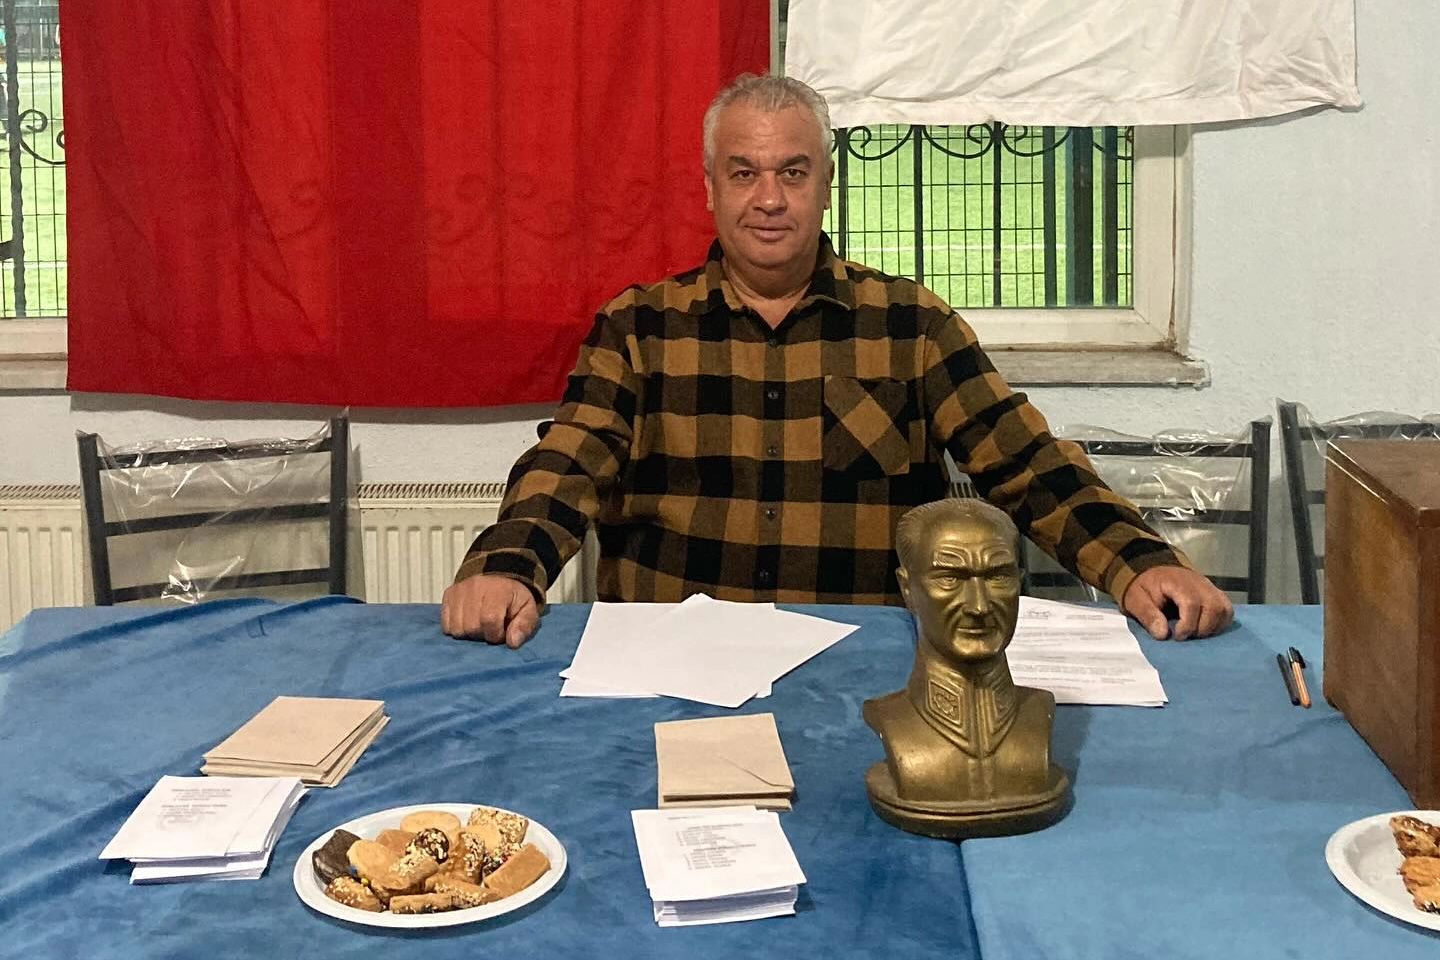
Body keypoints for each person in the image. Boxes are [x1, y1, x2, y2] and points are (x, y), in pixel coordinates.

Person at [440, 73, 1233, 649]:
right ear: (709, 188)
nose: (769, 198)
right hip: (667, 664)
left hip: (863, 667)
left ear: (826, 184)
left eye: (793, 172)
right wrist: (507, 567)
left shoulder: (913, 326)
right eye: (744, 173)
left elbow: (1026, 463)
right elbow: (567, 464)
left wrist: (1137, 563)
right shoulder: (638, 327)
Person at [862, 498, 1067, 835]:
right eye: (949, 579)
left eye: (998, 577)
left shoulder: (1038, 708)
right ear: (907, 589)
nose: (979, 606)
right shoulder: (890, 716)